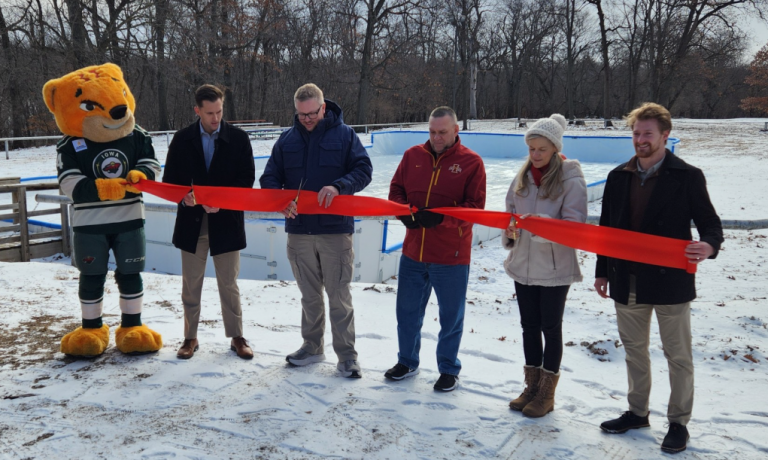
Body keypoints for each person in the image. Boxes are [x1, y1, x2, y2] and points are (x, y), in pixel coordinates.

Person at [594, 102, 723, 454]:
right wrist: (602, 270)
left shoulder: (687, 176)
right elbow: (606, 230)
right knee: (635, 352)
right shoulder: (618, 175)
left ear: (665, 136)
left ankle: (679, 423)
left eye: (647, 134)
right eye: (636, 133)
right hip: (626, 279)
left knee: (678, 356)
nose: (640, 140)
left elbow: (711, 224)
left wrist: (709, 246)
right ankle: (637, 412)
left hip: (670, 282)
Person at [259, 83, 372, 379]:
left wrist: (339, 186)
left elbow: (364, 170)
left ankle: (347, 356)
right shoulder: (287, 140)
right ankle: (312, 346)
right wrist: (281, 201)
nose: (307, 120)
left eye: (312, 114)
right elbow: (269, 177)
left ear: (323, 108)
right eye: (301, 115)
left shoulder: (346, 136)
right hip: (299, 230)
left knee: (338, 295)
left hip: (335, 231)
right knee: (309, 295)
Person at [385, 106, 486, 392]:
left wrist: (442, 217)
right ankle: (407, 361)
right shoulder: (412, 156)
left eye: (442, 132)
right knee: (406, 313)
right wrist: (401, 210)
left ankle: (448, 368)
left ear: (456, 130)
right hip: (414, 251)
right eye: (431, 132)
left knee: (450, 316)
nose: (436, 137)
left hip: (451, 255)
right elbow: (396, 190)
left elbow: (476, 208)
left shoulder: (472, 163)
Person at [162, 84, 256, 360]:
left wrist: (223, 202)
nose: (216, 118)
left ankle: (237, 336)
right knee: (191, 284)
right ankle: (190, 337)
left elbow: (246, 180)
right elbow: (170, 182)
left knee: (229, 283)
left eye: (219, 111)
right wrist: (185, 197)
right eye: (210, 113)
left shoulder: (239, 139)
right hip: (191, 223)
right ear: (197, 111)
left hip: (226, 222)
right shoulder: (181, 139)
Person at [502, 114, 587, 417]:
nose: (535, 155)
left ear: (554, 148)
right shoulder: (522, 177)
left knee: (550, 328)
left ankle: (547, 393)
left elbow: (575, 225)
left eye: (541, 149)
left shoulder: (570, 178)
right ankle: (531, 386)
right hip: (523, 264)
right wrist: (510, 232)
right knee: (529, 327)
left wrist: (544, 227)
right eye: (531, 149)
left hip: (554, 268)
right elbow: (510, 213)